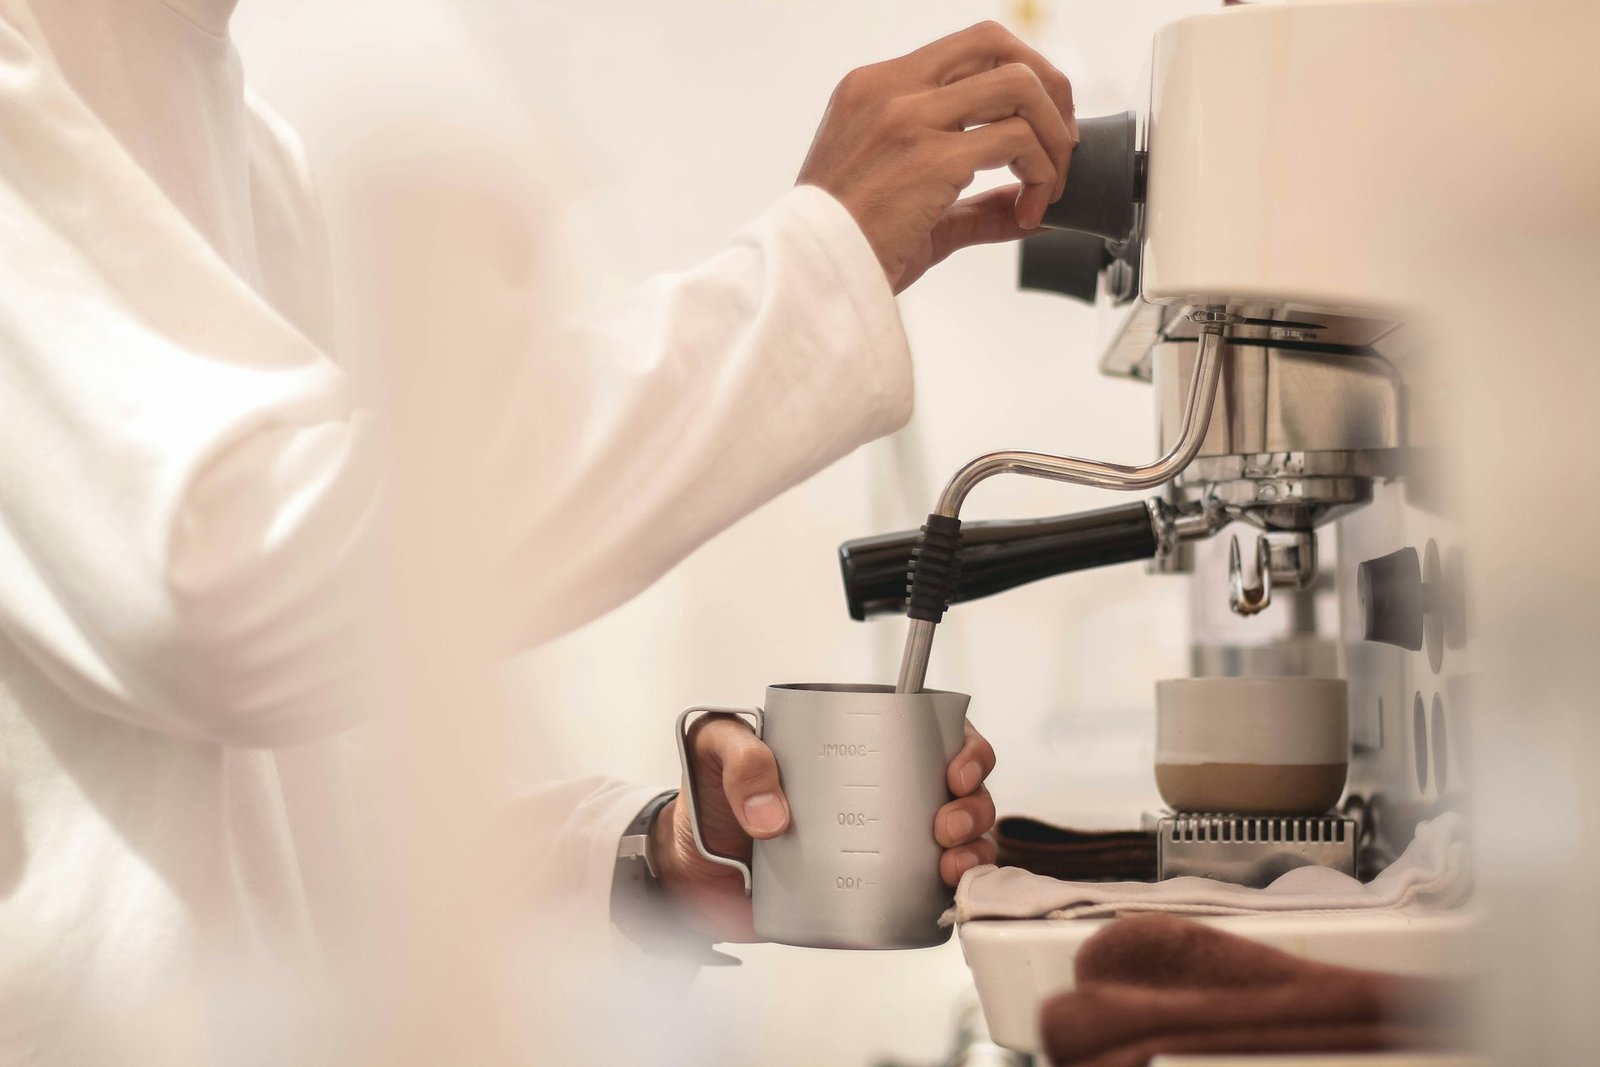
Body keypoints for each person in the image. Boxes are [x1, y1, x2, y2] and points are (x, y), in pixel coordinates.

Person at [0, 0, 1077, 1057]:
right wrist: (815, 267)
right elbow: (230, 592)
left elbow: (304, 811)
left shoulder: (246, 146)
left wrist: (639, 853)